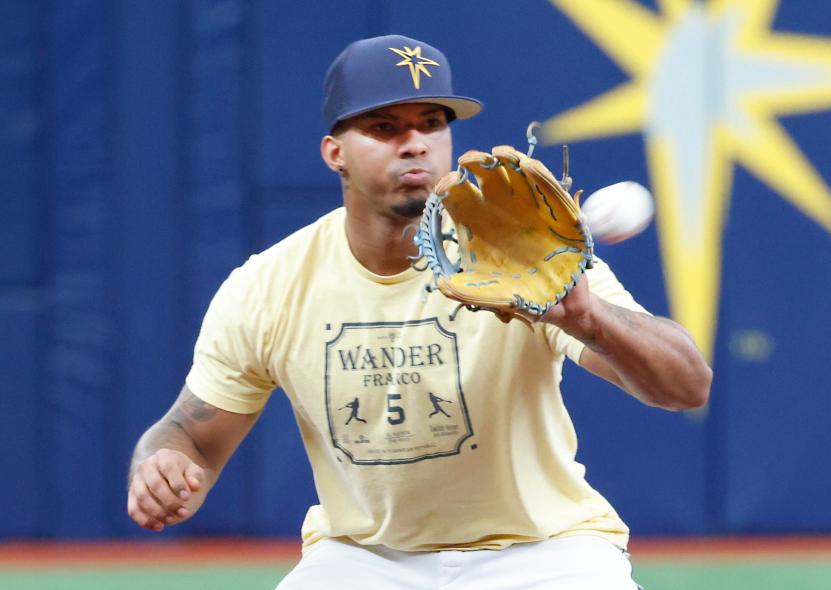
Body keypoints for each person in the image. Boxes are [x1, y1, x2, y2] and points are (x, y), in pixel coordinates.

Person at [126, 34, 712, 589]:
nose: (414, 142)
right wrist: (160, 462)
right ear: (335, 153)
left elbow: (686, 385)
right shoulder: (268, 286)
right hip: (364, 558)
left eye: (432, 124)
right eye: (384, 127)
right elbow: (193, 437)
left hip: (543, 551)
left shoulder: (525, 253)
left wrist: (590, 321)